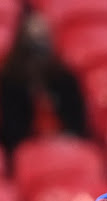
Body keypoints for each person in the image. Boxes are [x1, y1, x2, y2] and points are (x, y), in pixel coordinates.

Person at [0, 10, 88, 159]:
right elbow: (10, 127)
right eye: (33, 43)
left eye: (42, 41)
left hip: (66, 143)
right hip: (24, 146)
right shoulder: (10, 80)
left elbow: (77, 119)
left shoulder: (64, 79)